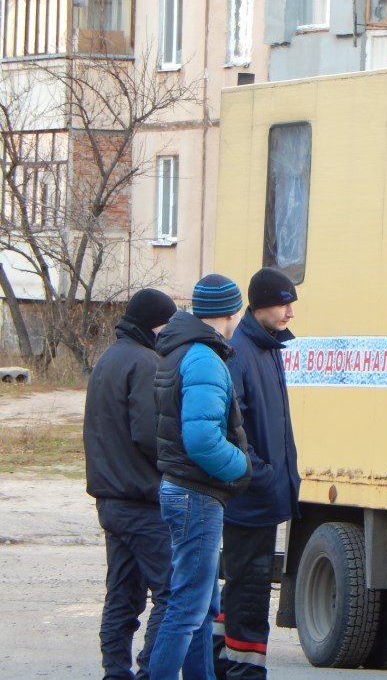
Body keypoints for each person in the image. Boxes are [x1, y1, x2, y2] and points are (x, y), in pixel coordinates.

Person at [149, 274, 252, 679]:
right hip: (196, 494)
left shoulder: (183, 350)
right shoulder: (204, 358)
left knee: (201, 608)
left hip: (181, 489)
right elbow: (202, 439)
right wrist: (243, 467)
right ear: (232, 311)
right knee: (188, 608)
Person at [84, 288, 177, 679]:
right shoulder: (145, 363)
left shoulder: (107, 359)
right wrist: (178, 466)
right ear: (154, 324)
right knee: (173, 594)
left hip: (110, 499)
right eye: (167, 324)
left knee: (122, 594)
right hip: (141, 500)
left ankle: (115, 671)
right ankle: (149, 671)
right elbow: (148, 433)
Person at [213, 268, 300, 679]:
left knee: (239, 592)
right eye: (285, 303)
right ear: (261, 303)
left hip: (260, 498)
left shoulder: (267, 347)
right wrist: (262, 477)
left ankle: (217, 665)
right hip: (248, 500)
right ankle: (241, 673)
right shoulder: (241, 352)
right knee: (248, 596)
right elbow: (233, 432)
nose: (290, 313)